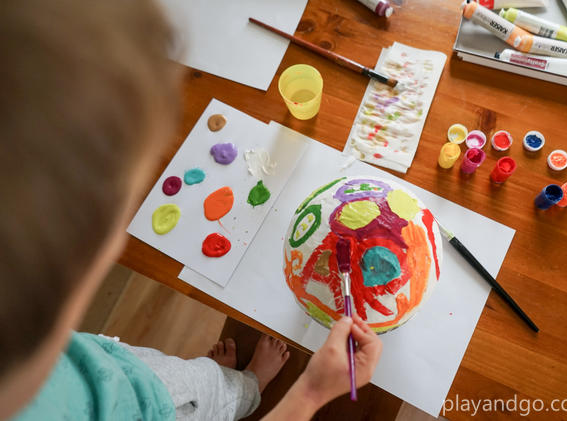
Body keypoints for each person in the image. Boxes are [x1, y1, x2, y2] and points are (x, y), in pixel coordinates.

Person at [0, 1, 383, 420]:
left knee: (193, 380)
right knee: (206, 398)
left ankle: (219, 381)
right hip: (154, 402)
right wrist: (308, 394)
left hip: (113, 371)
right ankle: (245, 389)